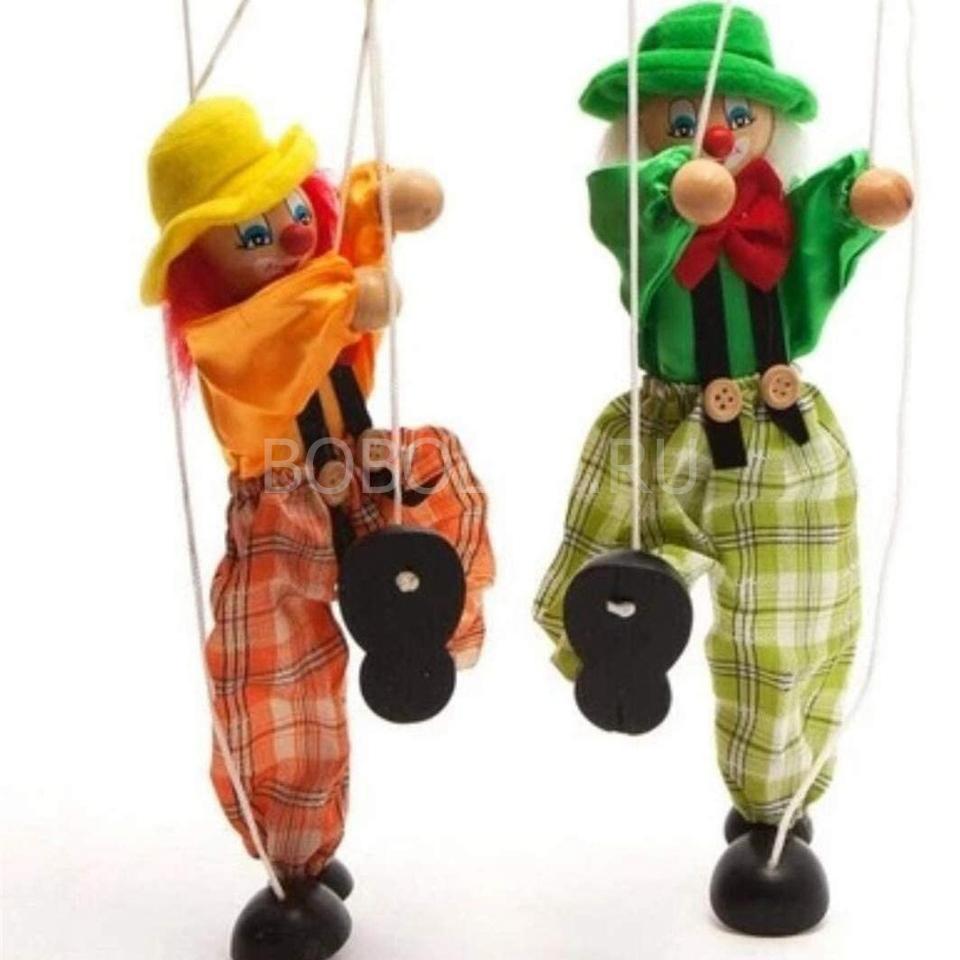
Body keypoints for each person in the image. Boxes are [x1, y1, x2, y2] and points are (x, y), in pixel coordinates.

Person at [533, 2, 912, 936]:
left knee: (793, 626)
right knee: (608, 570)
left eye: (740, 116)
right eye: (684, 117)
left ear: (771, 124)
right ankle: (610, 649)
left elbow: (829, 221)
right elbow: (630, 211)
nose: (716, 132)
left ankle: (772, 803)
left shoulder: (780, 210)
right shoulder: (642, 200)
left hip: (779, 434)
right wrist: (677, 185)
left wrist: (860, 203)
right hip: (666, 428)